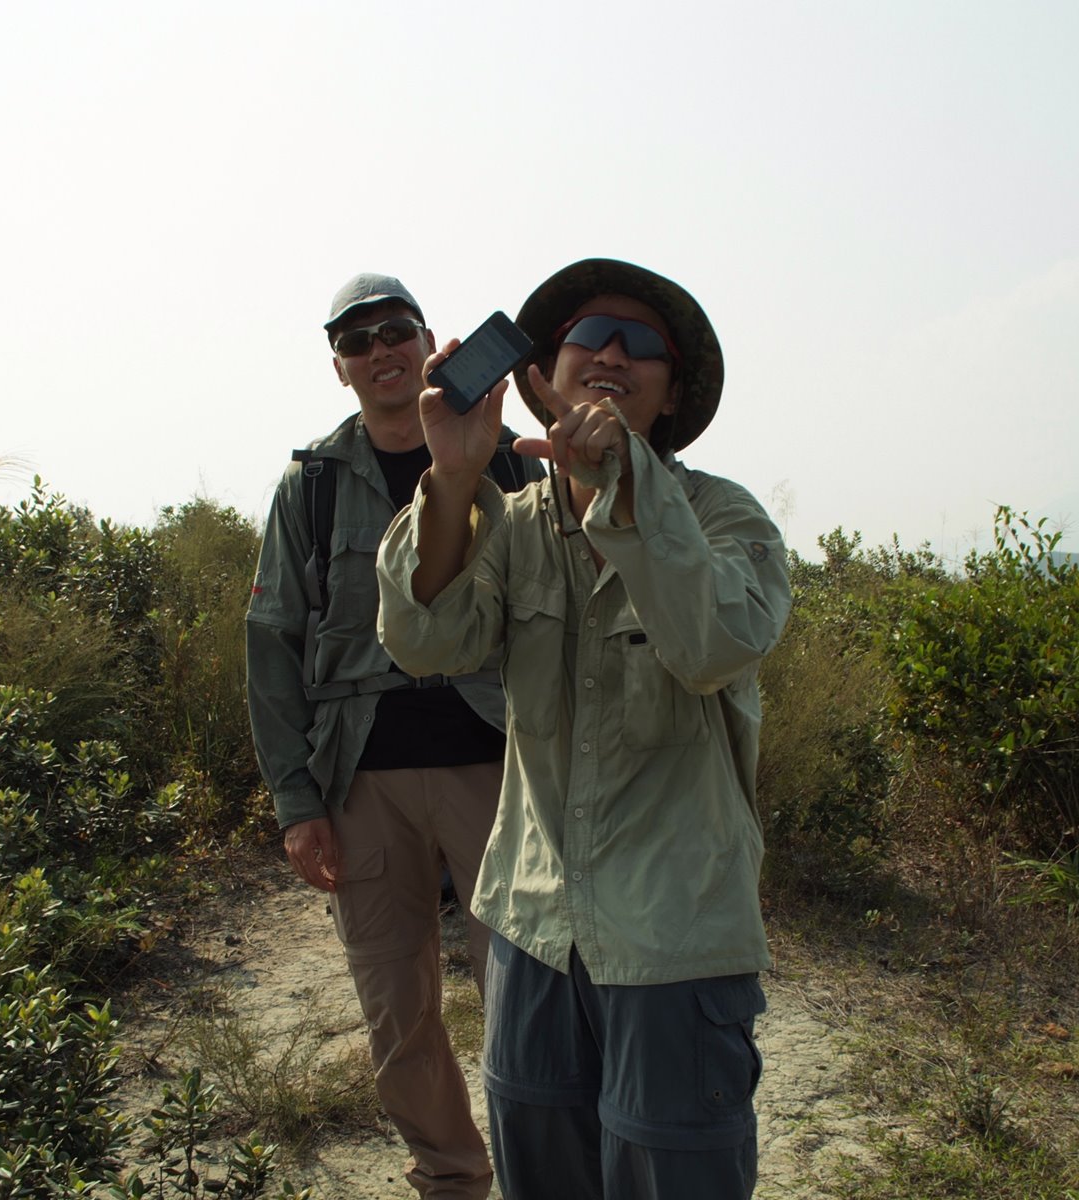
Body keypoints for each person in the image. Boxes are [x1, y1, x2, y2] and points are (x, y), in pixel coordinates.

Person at [376, 259, 792, 1199]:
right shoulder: (510, 522)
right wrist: (452, 476)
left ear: (672, 393)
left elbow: (715, 645)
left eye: (642, 345)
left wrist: (625, 488)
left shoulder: (723, 517)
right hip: (532, 929)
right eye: (588, 338)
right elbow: (424, 639)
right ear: (540, 375)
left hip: (677, 936)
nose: (612, 355)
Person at [245, 272, 537, 1200]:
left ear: (426, 340)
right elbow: (271, 642)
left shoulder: (507, 462)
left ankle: (543, 1171)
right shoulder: (312, 484)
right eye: (357, 341)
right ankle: (451, 1177)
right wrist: (297, 804)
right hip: (360, 781)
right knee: (394, 1011)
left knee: (527, 998)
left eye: (396, 331)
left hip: (498, 765)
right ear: (339, 366)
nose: (380, 351)